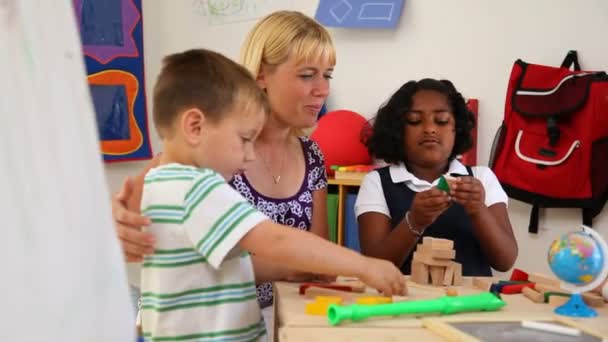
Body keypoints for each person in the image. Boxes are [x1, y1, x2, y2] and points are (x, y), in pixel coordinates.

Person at [139, 48, 405, 341]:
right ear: (195, 126)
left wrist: (295, 269)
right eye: (244, 140)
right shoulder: (199, 188)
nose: (250, 155)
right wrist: (363, 266)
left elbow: (221, 265)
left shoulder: (157, 183)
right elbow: (275, 239)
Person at [111, 11, 337, 331]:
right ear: (261, 75)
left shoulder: (312, 155)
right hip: (203, 328)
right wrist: (118, 219)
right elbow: (138, 233)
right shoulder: (210, 153)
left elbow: (316, 259)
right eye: (307, 75)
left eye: (327, 75)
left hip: (277, 322)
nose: (322, 89)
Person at [355, 78, 518, 276]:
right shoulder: (377, 182)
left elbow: (505, 260)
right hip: (404, 304)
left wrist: (478, 210)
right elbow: (374, 265)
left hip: (472, 304)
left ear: (456, 128)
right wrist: (414, 221)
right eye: (415, 120)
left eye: (441, 120)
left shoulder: (481, 177)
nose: (430, 129)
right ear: (398, 130)